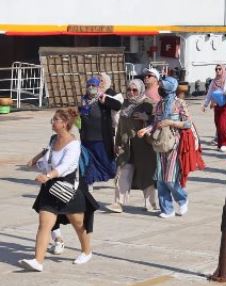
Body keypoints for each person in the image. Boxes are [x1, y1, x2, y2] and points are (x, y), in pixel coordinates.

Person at [20, 108, 97, 271]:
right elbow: (48, 157)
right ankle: (38, 261)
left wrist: (48, 175)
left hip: (67, 189)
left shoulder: (74, 144)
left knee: (78, 223)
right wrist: (37, 162)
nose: (52, 122)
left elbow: (65, 166)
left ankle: (86, 251)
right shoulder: (53, 139)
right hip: (50, 188)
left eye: (55, 119)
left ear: (65, 124)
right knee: (44, 224)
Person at [138, 77, 193, 218]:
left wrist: (170, 122)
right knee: (161, 178)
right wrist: (146, 130)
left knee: (170, 178)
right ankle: (167, 209)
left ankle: (182, 198)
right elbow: (156, 123)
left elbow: (187, 123)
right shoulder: (159, 104)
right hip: (160, 143)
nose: (160, 89)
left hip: (174, 144)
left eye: (162, 86)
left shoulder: (179, 103)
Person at [108, 79, 158, 214]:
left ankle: (151, 204)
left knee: (146, 174)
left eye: (134, 90)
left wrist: (146, 117)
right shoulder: (125, 104)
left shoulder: (148, 103)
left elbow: (158, 121)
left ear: (141, 90)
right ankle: (118, 204)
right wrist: (117, 143)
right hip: (126, 145)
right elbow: (120, 126)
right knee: (122, 173)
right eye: (129, 89)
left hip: (143, 146)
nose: (131, 92)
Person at [80, 76, 121, 187]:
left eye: (94, 85)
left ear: (98, 87)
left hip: (101, 138)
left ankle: (118, 177)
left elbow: (118, 105)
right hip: (86, 138)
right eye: (89, 85)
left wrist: (106, 100)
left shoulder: (102, 98)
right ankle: (90, 183)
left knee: (107, 163)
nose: (91, 87)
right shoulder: (83, 101)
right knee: (88, 163)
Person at [202, 65, 226, 151]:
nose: (217, 70)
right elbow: (209, 93)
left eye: (219, 69)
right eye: (216, 69)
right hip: (217, 105)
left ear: (223, 70)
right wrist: (205, 104)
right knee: (218, 124)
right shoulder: (213, 81)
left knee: (222, 125)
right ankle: (220, 143)